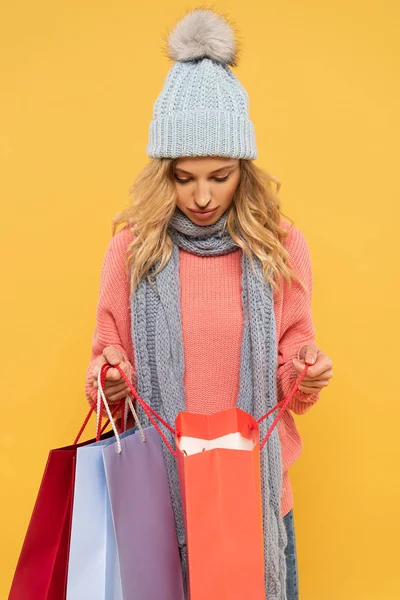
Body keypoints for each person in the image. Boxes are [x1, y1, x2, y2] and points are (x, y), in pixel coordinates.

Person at [84, 8, 333, 600]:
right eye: (183, 177)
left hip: (255, 501)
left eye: (219, 176)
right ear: (161, 174)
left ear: (243, 170)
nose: (201, 197)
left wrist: (308, 370)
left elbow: (290, 378)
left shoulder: (278, 246)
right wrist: (110, 379)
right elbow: (103, 369)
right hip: (160, 509)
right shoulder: (133, 249)